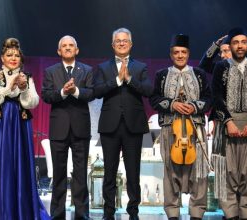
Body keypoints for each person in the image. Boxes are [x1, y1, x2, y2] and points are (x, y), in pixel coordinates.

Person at [0, 38, 49, 220]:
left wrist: (24, 89)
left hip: (19, 125)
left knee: (19, 163)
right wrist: (8, 87)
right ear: (2, 58)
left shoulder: (27, 77)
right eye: (9, 55)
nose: (13, 58)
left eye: (17, 55)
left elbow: (32, 102)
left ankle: (20, 209)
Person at [150, 34, 211, 220]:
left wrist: (194, 106)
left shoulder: (199, 74)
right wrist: (172, 104)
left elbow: (209, 99)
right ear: (171, 54)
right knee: (170, 173)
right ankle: (173, 213)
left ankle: (196, 213)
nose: (180, 55)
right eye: (176, 52)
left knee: (200, 172)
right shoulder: (162, 74)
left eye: (183, 52)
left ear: (188, 53)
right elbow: (153, 99)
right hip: (171, 130)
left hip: (196, 129)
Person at [94, 27, 153, 220]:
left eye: (124, 40)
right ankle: (108, 212)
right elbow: (97, 91)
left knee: (133, 172)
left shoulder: (140, 67)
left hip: (133, 126)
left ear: (131, 44)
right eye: (118, 41)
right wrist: (117, 81)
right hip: (110, 126)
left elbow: (148, 90)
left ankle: (133, 212)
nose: (121, 43)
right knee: (109, 172)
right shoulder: (103, 68)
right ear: (112, 45)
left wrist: (129, 79)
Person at [211, 27, 247, 220]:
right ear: (231, 45)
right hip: (226, 127)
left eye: (243, 42)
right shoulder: (221, 67)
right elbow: (216, 95)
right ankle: (230, 215)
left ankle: (246, 213)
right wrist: (228, 121)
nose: (240, 45)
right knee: (224, 174)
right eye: (236, 42)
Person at [41, 35, 94, 220]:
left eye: (71, 45)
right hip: (59, 130)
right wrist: (63, 91)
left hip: (80, 129)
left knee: (80, 175)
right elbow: (46, 96)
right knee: (59, 175)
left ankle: (82, 215)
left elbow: (91, 93)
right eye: (64, 46)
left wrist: (76, 91)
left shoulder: (87, 70)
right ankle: (57, 215)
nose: (68, 48)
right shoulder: (50, 71)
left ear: (77, 50)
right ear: (59, 51)